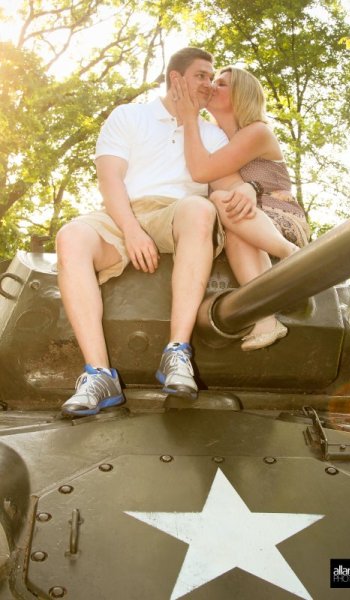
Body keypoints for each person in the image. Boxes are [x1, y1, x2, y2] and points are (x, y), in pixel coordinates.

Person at [56, 47, 296, 416]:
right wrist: (132, 230)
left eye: (214, 78)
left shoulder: (212, 136)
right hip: (124, 214)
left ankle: (177, 352)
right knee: (70, 235)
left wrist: (246, 188)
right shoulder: (129, 116)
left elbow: (225, 182)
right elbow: (110, 179)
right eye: (202, 76)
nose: (209, 85)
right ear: (176, 78)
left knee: (201, 207)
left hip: (178, 215)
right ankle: (100, 374)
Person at [172, 66, 310, 350]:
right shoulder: (213, 138)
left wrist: (189, 118)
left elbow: (201, 171)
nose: (212, 86)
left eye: (221, 84)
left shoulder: (256, 131)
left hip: (280, 215)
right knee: (230, 219)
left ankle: (292, 256)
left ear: (241, 96)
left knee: (223, 201)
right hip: (240, 221)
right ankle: (266, 318)